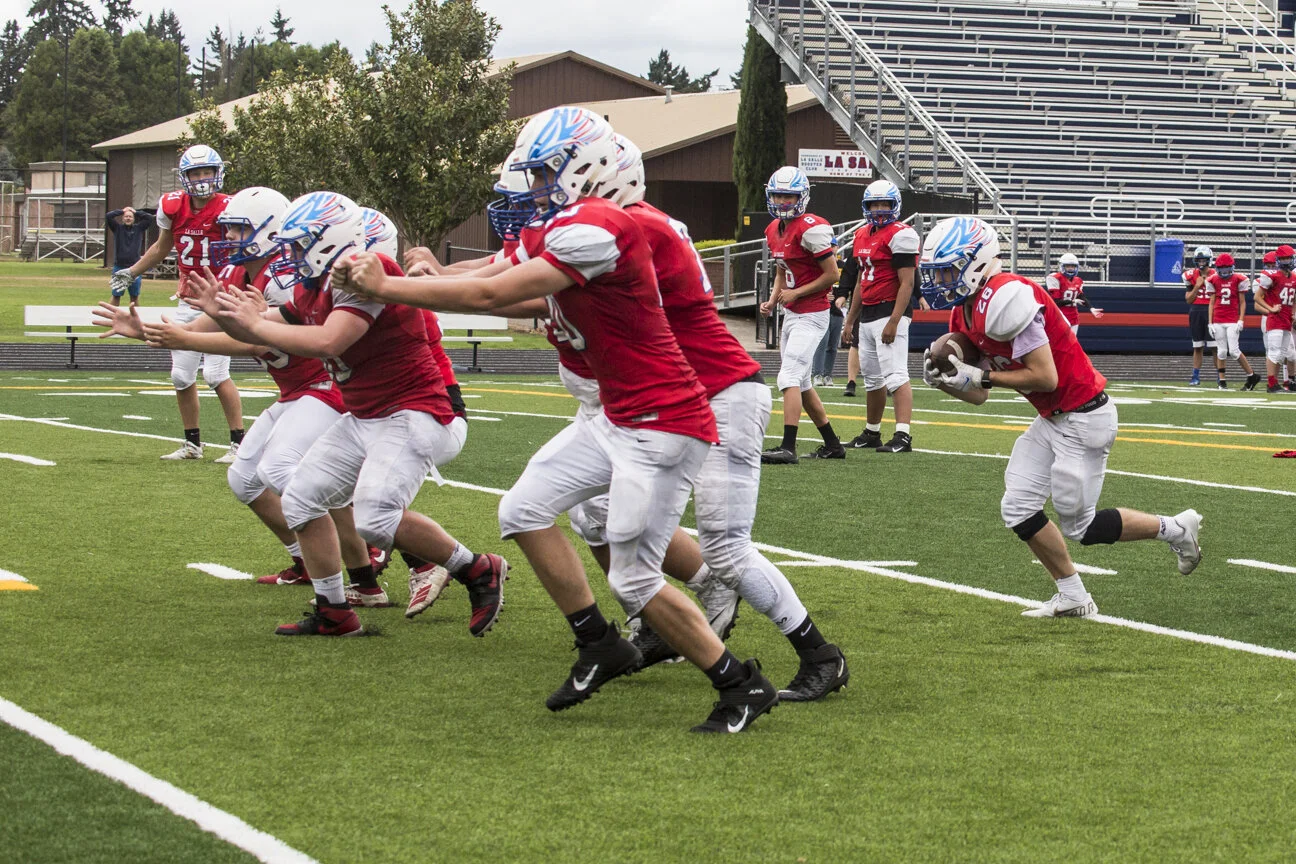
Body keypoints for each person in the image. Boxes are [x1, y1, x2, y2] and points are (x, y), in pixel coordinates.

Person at [335, 106, 779, 733]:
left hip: (662, 418)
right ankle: (598, 641)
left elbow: (492, 293)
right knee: (521, 510)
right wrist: (410, 276)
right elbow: (493, 272)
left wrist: (386, 289)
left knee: (633, 579)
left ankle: (740, 683)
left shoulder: (600, 226)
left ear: (587, 170)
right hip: (616, 414)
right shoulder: (566, 226)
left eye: (545, 174)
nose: (535, 190)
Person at [204, 190, 508, 638]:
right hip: (365, 415)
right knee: (300, 499)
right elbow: (267, 325)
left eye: (299, 244)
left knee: (374, 518)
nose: (291, 255)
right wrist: (225, 314)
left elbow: (329, 341)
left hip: (413, 411)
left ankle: (476, 567)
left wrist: (251, 323)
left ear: (328, 239)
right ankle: (335, 611)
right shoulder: (314, 285)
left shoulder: (366, 272)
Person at [93, 187, 383, 593]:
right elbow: (196, 329)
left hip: (324, 385)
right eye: (227, 228)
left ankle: (365, 561)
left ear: (270, 231)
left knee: (287, 473)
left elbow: (256, 342)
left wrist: (185, 339)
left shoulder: (284, 279)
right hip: (295, 390)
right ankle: (308, 560)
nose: (227, 237)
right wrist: (144, 331)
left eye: (238, 229)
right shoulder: (234, 273)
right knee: (245, 480)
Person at [918, 216, 1202, 618]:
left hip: (1085, 416)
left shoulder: (1006, 296)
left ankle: (1175, 528)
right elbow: (980, 396)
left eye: (947, 270)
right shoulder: (963, 313)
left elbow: (1044, 377)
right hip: (1053, 418)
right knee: (1018, 508)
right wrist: (946, 382)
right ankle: (1073, 596)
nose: (939, 281)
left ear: (976, 262)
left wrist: (980, 375)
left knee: (1082, 527)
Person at [360, 204, 469, 618]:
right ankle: (368, 572)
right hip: (391, 405)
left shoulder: (396, 299)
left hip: (428, 408)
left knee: (365, 495)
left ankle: (430, 563)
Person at [110, 144, 244, 463]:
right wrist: (131, 272)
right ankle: (192, 444)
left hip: (222, 299)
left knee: (216, 374)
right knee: (181, 377)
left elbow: (242, 251)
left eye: (207, 172)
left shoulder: (230, 207)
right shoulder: (172, 205)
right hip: (188, 300)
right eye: (196, 173)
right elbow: (161, 248)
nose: (202, 179)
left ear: (218, 173)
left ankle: (240, 445)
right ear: (184, 177)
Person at [758, 166, 846, 463]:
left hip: (812, 313)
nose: (783, 202)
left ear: (802, 197)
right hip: (792, 314)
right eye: (778, 196)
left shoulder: (811, 227)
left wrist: (797, 293)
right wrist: (773, 300)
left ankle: (788, 447)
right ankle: (833, 445)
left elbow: (832, 274)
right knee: (803, 382)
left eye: (789, 196)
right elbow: (782, 271)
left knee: (788, 376)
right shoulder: (773, 229)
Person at [841, 179, 920, 453]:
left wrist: (894, 321)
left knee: (896, 375)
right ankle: (872, 432)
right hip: (868, 312)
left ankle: (903, 435)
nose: (879, 209)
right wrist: (850, 320)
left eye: (884, 203)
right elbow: (861, 281)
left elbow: (907, 283)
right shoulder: (861, 234)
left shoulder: (901, 234)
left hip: (890, 310)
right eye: (874, 204)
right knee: (873, 378)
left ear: (894, 205)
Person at [1204, 253, 1261, 391]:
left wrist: (1241, 319)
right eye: (1222, 268)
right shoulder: (1212, 280)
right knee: (1222, 351)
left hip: (1232, 320)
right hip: (1218, 319)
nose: (1224, 271)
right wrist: (1210, 322)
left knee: (1234, 351)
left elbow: (1242, 302)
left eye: (1226, 268)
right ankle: (1222, 381)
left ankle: (1252, 375)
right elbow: (1211, 302)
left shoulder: (1238, 279)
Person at [1253, 245, 1296, 393]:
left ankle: (1276, 382)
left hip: (1286, 320)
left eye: (1288, 258)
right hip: (1275, 319)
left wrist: (1293, 313)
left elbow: (1294, 299)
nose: (1286, 261)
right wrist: (1270, 308)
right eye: (1283, 258)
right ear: (1278, 260)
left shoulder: (1294, 277)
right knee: (1274, 353)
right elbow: (1257, 297)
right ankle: (1271, 384)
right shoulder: (1272, 276)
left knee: (1282, 354)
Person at [105, 206, 154, 306]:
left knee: (134, 296)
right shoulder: (117, 228)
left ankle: (134, 315)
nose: (128, 218)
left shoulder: (139, 228)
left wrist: (136, 212)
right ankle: (112, 314)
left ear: (134, 218)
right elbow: (109, 216)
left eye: (130, 217)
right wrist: (121, 211)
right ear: (123, 218)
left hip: (135, 268)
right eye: (126, 216)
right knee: (116, 295)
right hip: (119, 267)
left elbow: (149, 218)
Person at [812, 247, 847, 387]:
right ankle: (817, 374)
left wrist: (844, 297)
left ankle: (827, 375)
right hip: (822, 310)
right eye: (829, 245)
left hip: (837, 311)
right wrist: (822, 294)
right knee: (822, 343)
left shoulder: (842, 266)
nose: (832, 248)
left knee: (833, 345)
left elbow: (846, 285)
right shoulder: (818, 264)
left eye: (834, 245)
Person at [1045, 253, 1103, 336]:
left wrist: (1091, 308)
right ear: (1062, 266)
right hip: (1059, 315)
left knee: (1072, 341)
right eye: (1068, 266)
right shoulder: (1055, 278)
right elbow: (1056, 302)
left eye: (1073, 266)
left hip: (1073, 316)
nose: (1070, 268)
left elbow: (1081, 297)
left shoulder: (1078, 280)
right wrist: (1073, 301)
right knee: (1059, 340)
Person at [1183, 245, 1215, 386]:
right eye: (1199, 260)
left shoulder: (1216, 274)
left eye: (1204, 260)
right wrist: (1197, 286)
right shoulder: (1190, 275)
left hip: (1212, 310)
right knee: (1197, 346)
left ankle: (1220, 376)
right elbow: (1189, 300)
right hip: (1196, 310)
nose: (1201, 262)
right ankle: (1195, 376)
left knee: (1215, 347)